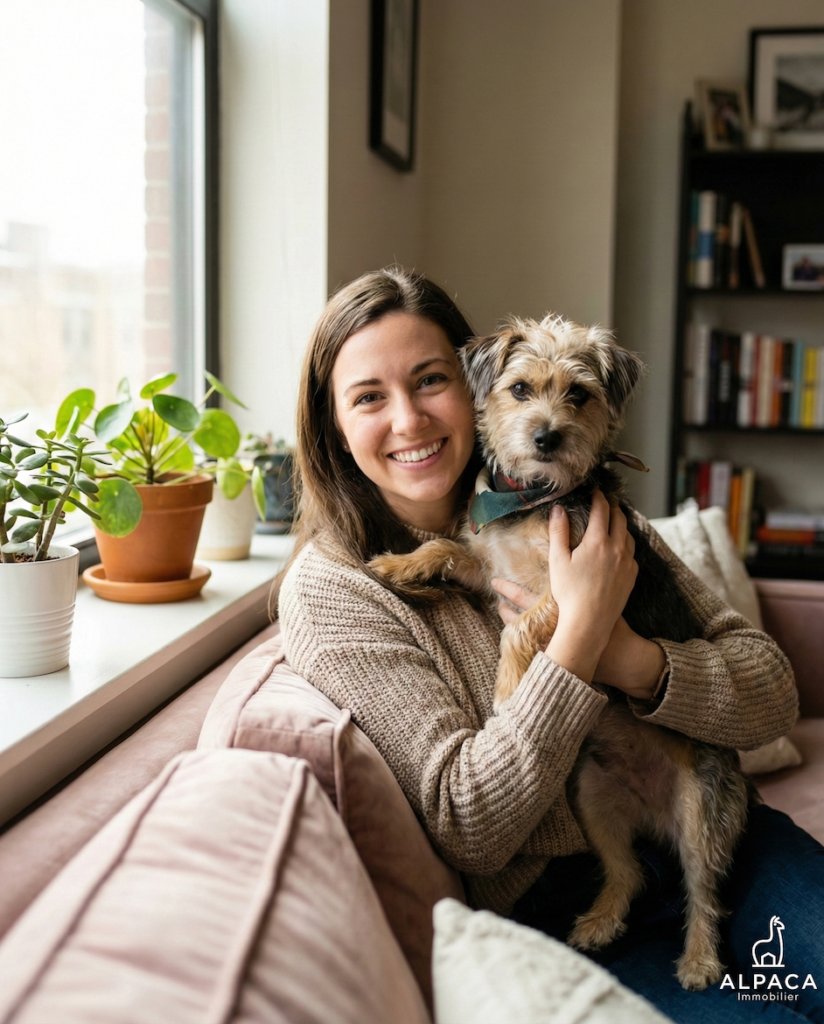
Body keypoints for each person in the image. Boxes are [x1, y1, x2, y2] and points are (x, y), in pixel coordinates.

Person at [276, 266, 823, 1023]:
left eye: (429, 380)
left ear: (467, 389)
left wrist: (633, 658)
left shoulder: (569, 498)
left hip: (728, 842)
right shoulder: (335, 591)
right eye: (369, 396)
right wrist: (577, 643)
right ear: (332, 423)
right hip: (563, 902)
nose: (408, 419)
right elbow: (470, 822)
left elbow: (770, 693)